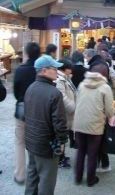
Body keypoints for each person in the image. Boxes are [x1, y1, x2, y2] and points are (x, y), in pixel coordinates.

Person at [24, 55, 68, 195]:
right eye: (54, 68)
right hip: (47, 144)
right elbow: (59, 122)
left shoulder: (30, 88)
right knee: (47, 182)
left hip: (31, 141)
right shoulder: (54, 93)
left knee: (32, 177)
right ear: (43, 70)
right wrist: (61, 141)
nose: (57, 71)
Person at [74, 62, 115, 187]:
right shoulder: (105, 87)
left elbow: (77, 101)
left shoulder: (82, 84)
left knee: (80, 151)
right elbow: (109, 110)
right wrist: (111, 116)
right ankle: (90, 180)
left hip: (79, 123)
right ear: (105, 74)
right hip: (95, 124)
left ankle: (78, 177)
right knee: (92, 153)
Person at [13, 42, 40, 185]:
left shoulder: (20, 69)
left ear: (27, 53)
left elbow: (16, 92)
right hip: (39, 111)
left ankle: (20, 175)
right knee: (36, 141)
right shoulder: (42, 69)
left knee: (19, 141)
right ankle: (35, 174)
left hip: (23, 108)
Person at [56, 58, 76, 168]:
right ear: (64, 69)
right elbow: (62, 98)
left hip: (67, 113)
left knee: (64, 136)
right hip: (64, 113)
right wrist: (73, 107)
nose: (71, 70)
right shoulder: (60, 80)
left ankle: (62, 156)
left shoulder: (65, 78)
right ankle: (60, 159)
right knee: (62, 136)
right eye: (70, 68)